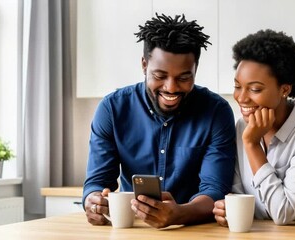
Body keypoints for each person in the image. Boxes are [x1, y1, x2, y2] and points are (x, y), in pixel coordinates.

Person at [83, 13, 236, 229]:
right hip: (134, 229)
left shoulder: (216, 112)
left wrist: (180, 214)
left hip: (196, 230)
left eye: (184, 77)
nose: (171, 88)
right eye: (160, 76)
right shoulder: (112, 109)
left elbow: (215, 190)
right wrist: (92, 201)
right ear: (144, 65)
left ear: (195, 69)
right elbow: (97, 182)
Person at [213, 29, 295, 226]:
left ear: (284, 89)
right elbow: (239, 194)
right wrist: (226, 209)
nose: (241, 97)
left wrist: (252, 145)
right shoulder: (242, 126)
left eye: (255, 89)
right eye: (238, 86)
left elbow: (283, 212)